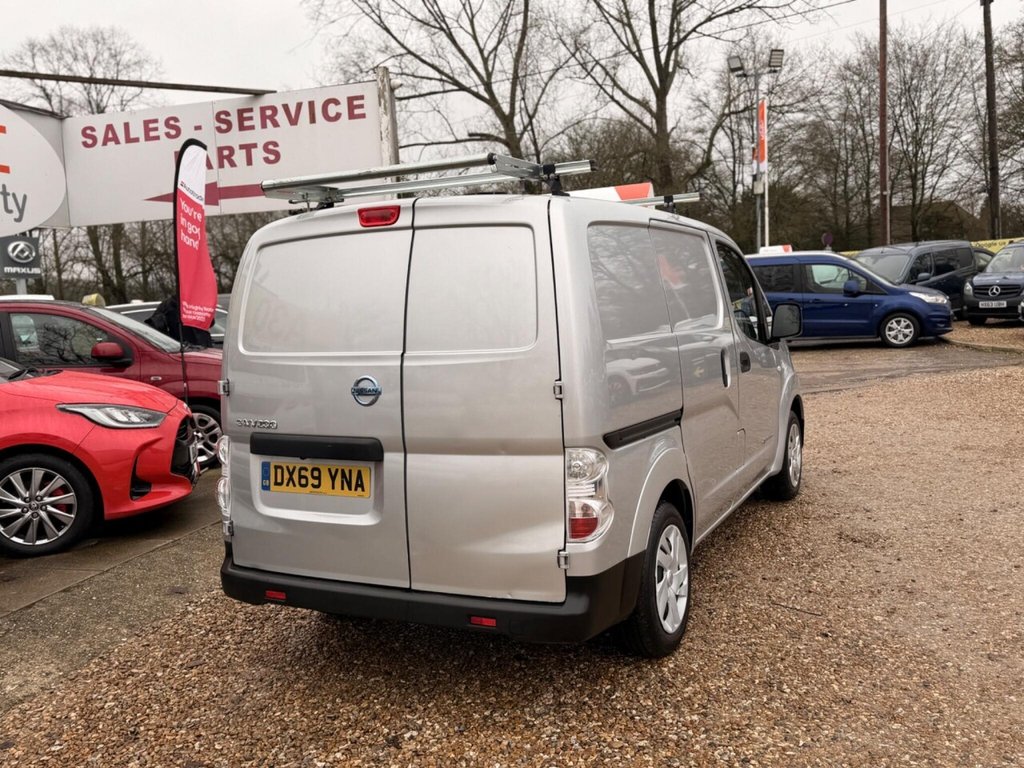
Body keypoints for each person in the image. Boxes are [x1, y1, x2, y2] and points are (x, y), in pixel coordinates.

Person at [145, 295, 213, 347]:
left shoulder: (168, 304)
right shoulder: (198, 302)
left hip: (185, 347)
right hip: (198, 346)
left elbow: (155, 326)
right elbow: (210, 322)